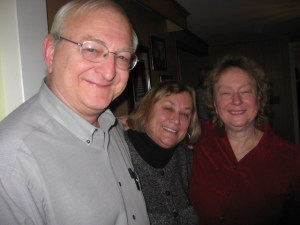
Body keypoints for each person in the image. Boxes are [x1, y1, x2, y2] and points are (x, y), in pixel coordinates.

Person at [0, 1, 150, 224]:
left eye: (122, 57)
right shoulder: (11, 160)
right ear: (51, 53)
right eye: (91, 49)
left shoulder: (112, 127)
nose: (109, 72)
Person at [189, 55, 300, 225]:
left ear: (259, 97)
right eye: (225, 93)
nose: (236, 101)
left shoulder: (291, 158)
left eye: (245, 91)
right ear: (214, 102)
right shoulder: (196, 142)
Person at [123, 81, 201, 225]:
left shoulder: (188, 159)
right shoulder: (118, 151)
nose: (176, 120)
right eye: (168, 108)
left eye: (185, 114)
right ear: (147, 109)